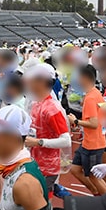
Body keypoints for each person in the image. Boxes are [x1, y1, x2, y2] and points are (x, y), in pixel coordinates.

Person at [23, 63, 72, 198]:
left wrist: (39, 142)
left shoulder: (52, 109)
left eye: (32, 81)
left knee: (40, 204)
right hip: (35, 163)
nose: (29, 85)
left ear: (41, 82)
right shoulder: (36, 103)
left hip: (47, 168)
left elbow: (66, 140)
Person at [67, 65, 106, 195]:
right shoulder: (94, 93)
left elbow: (93, 123)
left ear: (85, 78)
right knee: (75, 169)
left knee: (93, 175)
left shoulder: (91, 98)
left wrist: (75, 121)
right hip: (89, 142)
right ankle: (95, 191)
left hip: (93, 144)